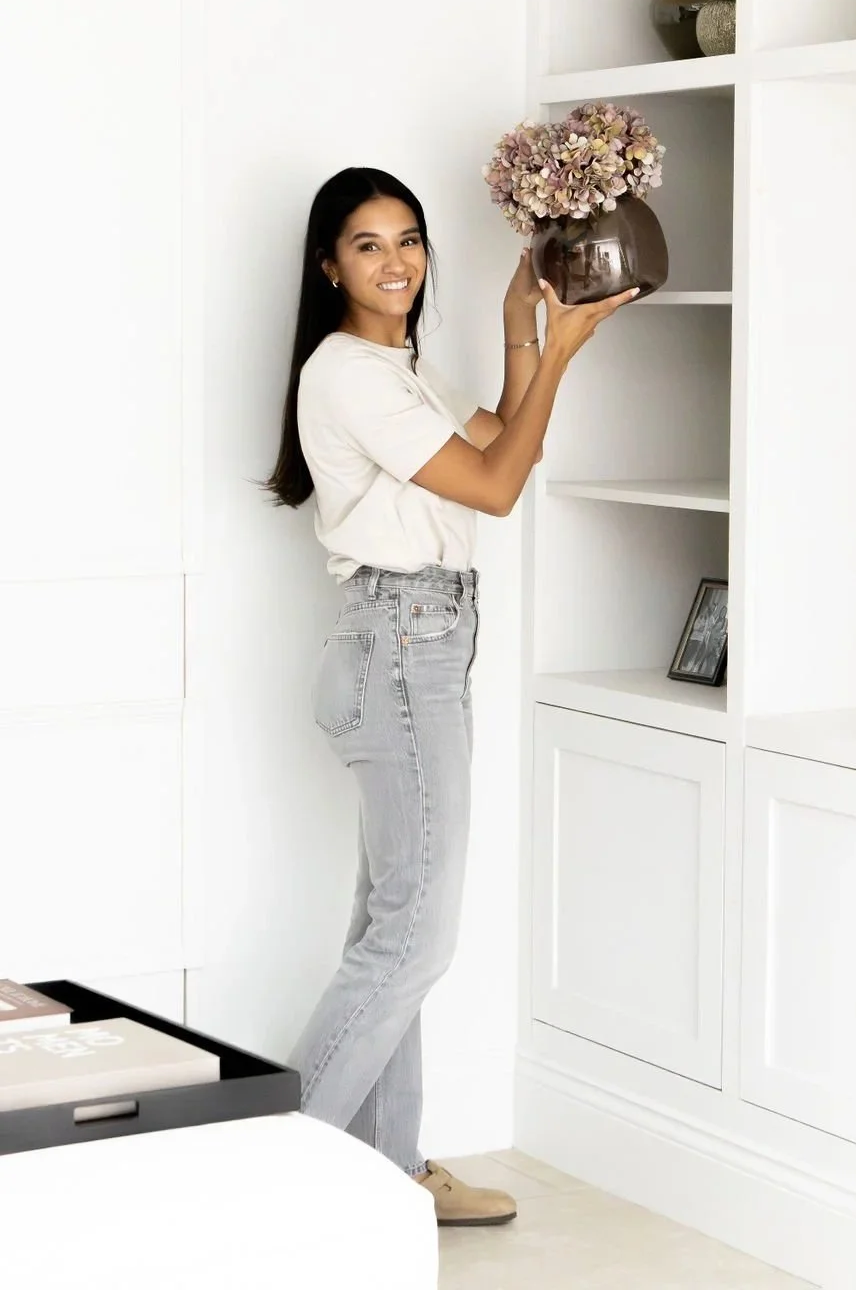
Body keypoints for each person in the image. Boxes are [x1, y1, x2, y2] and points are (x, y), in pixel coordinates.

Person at [266, 166, 636, 1227]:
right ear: (328, 264)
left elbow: (495, 437)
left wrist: (522, 330)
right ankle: (268, 1180)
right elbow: (499, 486)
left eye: (411, 240)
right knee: (413, 939)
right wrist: (563, 354)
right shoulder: (349, 374)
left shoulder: (397, 371)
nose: (397, 263)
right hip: (399, 644)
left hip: (414, 642)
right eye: (369, 245)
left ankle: (389, 1175)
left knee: (390, 930)